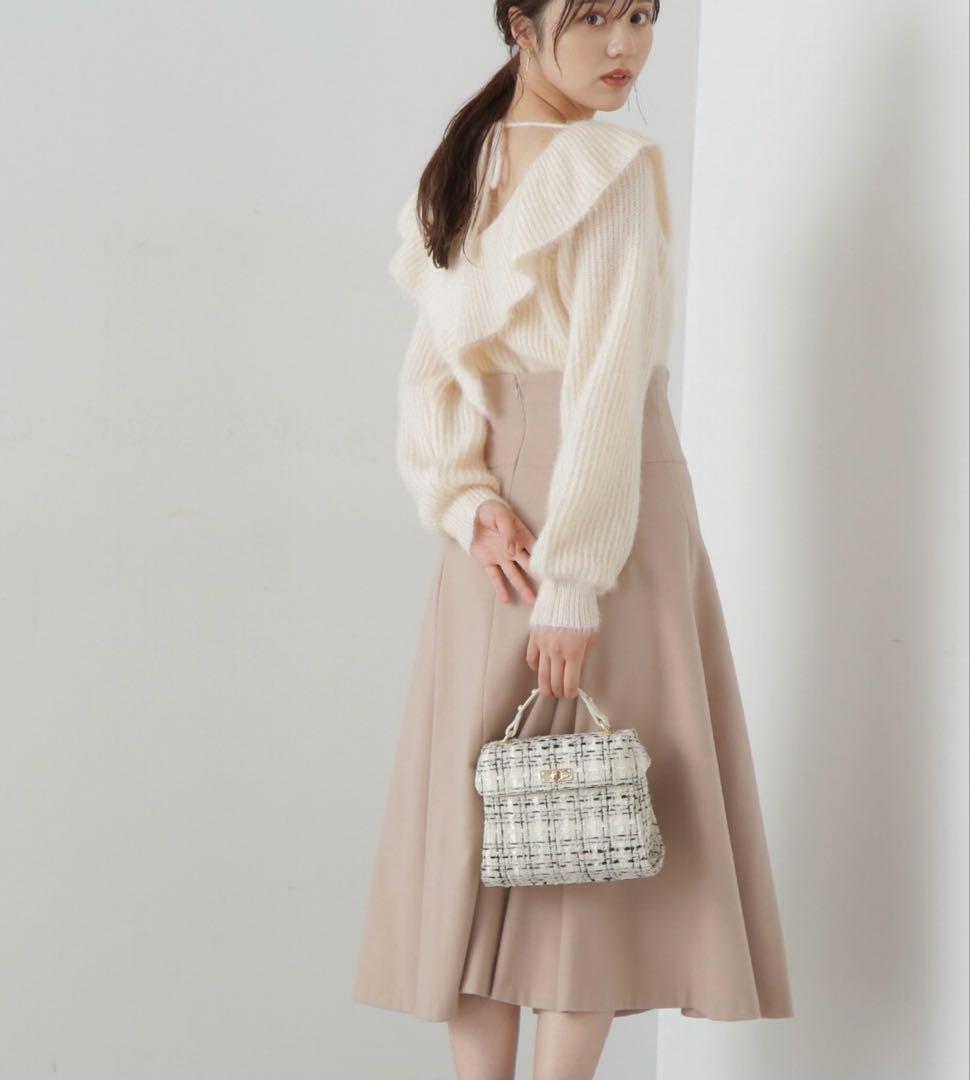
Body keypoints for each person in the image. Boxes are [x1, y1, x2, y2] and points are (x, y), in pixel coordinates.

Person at [353, 1, 795, 1076]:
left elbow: (433, 380)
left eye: (641, 15)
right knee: (585, 834)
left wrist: (467, 500)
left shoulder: (460, 164)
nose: (625, 47)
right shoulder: (606, 168)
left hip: (499, 527)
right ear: (520, 21)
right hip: (603, 516)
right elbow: (604, 388)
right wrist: (573, 582)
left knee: (484, 835)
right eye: (592, 17)